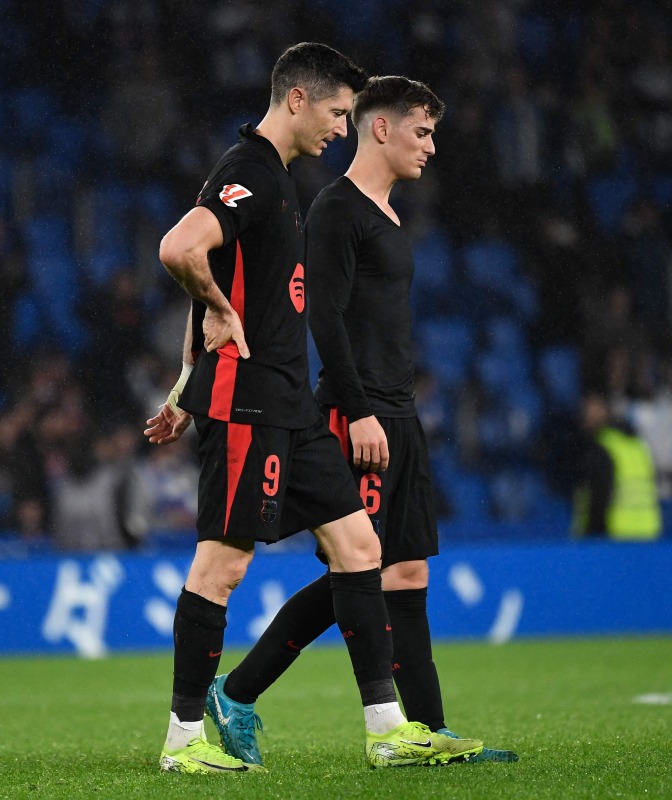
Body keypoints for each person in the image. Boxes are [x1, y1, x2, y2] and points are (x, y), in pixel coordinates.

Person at [143, 44, 481, 774]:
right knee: (220, 568)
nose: (340, 126)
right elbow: (180, 248)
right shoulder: (251, 173)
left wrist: (181, 378)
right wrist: (212, 315)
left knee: (362, 550)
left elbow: (217, 280)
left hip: (290, 406)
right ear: (298, 99)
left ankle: (388, 731)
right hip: (249, 404)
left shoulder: (279, 181)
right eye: (335, 112)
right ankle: (181, 741)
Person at [572, 392, 662, 540]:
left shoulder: (603, 448)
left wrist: (590, 536)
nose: (584, 418)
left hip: (614, 536)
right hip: (647, 533)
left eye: (587, 413)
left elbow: (600, 497)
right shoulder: (635, 443)